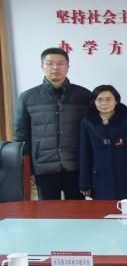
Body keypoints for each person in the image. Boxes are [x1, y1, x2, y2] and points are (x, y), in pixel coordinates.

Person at [13, 47, 90, 199]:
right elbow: (21, 136)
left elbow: (91, 133)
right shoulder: (28, 97)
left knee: (78, 211)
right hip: (43, 167)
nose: (55, 67)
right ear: (42, 67)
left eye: (60, 63)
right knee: (47, 212)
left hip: (76, 166)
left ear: (67, 67)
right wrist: (28, 170)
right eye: (50, 63)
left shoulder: (83, 95)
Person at [78, 85, 127, 200]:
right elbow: (84, 153)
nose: (104, 103)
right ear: (94, 102)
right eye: (99, 100)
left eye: (108, 99)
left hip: (126, 177)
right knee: (103, 209)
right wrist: (85, 182)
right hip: (99, 178)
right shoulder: (87, 123)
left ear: (116, 101)